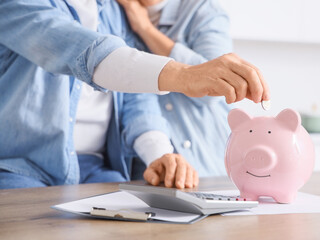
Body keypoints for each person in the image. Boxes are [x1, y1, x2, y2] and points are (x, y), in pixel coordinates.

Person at [0, 0, 269, 189]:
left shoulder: (116, 12)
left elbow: (135, 97)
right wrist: (184, 75)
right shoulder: (19, 3)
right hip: (23, 168)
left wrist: (160, 154)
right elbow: (81, 50)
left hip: (98, 170)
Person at [117, 0, 269, 176]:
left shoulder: (202, 10)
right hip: (145, 168)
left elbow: (214, 91)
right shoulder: (112, 12)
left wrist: (145, 29)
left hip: (207, 164)